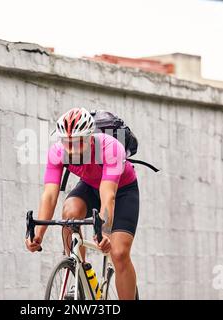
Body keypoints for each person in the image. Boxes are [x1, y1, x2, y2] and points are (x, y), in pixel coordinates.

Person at [25, 107, 140, 300]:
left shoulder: (109, 148)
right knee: (69, 212)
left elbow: (108, 194)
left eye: (77, 143)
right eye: (66, 143)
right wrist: (38, 235)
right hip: (90, 185)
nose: (70, 149)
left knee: (119, 253)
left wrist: (104, 232)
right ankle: (80, 270)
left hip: (122, 191)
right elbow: (50, 195)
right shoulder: (57, 152)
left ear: (89, 138)